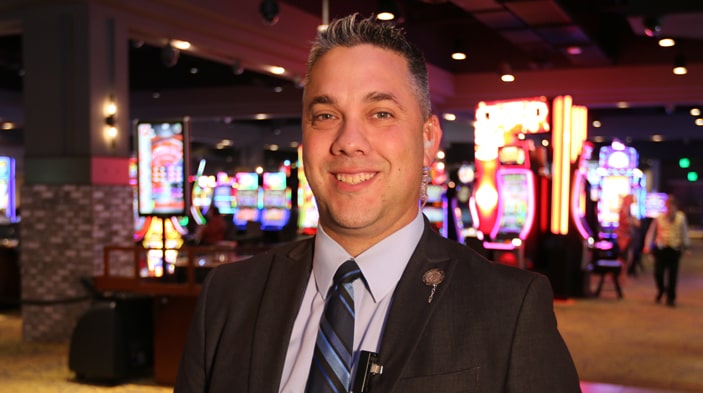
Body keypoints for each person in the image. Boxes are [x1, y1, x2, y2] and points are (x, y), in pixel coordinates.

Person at [174, 13, 581, 393]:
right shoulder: (228, 296)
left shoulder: (509, 308)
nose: (349, 142)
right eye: (326, 116)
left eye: (381, 113)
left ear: (428, 138)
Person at [644, 194, 690, 307]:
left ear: (675, 207)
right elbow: (651, 232)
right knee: (658, 273)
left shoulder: (681, 218)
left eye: (672, 207)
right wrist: (647, 245)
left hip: (674, 249)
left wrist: (686, 247)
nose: (670, 209)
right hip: (661, 249)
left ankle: (671, 298)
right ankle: (661, 290)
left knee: (672, 275)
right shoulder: (659, 218)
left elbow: (684, 232)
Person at [615, 194, 640, 276]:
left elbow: (636, 223)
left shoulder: (628, 210)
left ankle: (623, 272)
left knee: (626, 255)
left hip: (627, 236)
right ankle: (618, 273)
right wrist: (633, 221)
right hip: (622, 237)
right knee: (622, 255)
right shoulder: (624, 210)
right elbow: (626, 222)